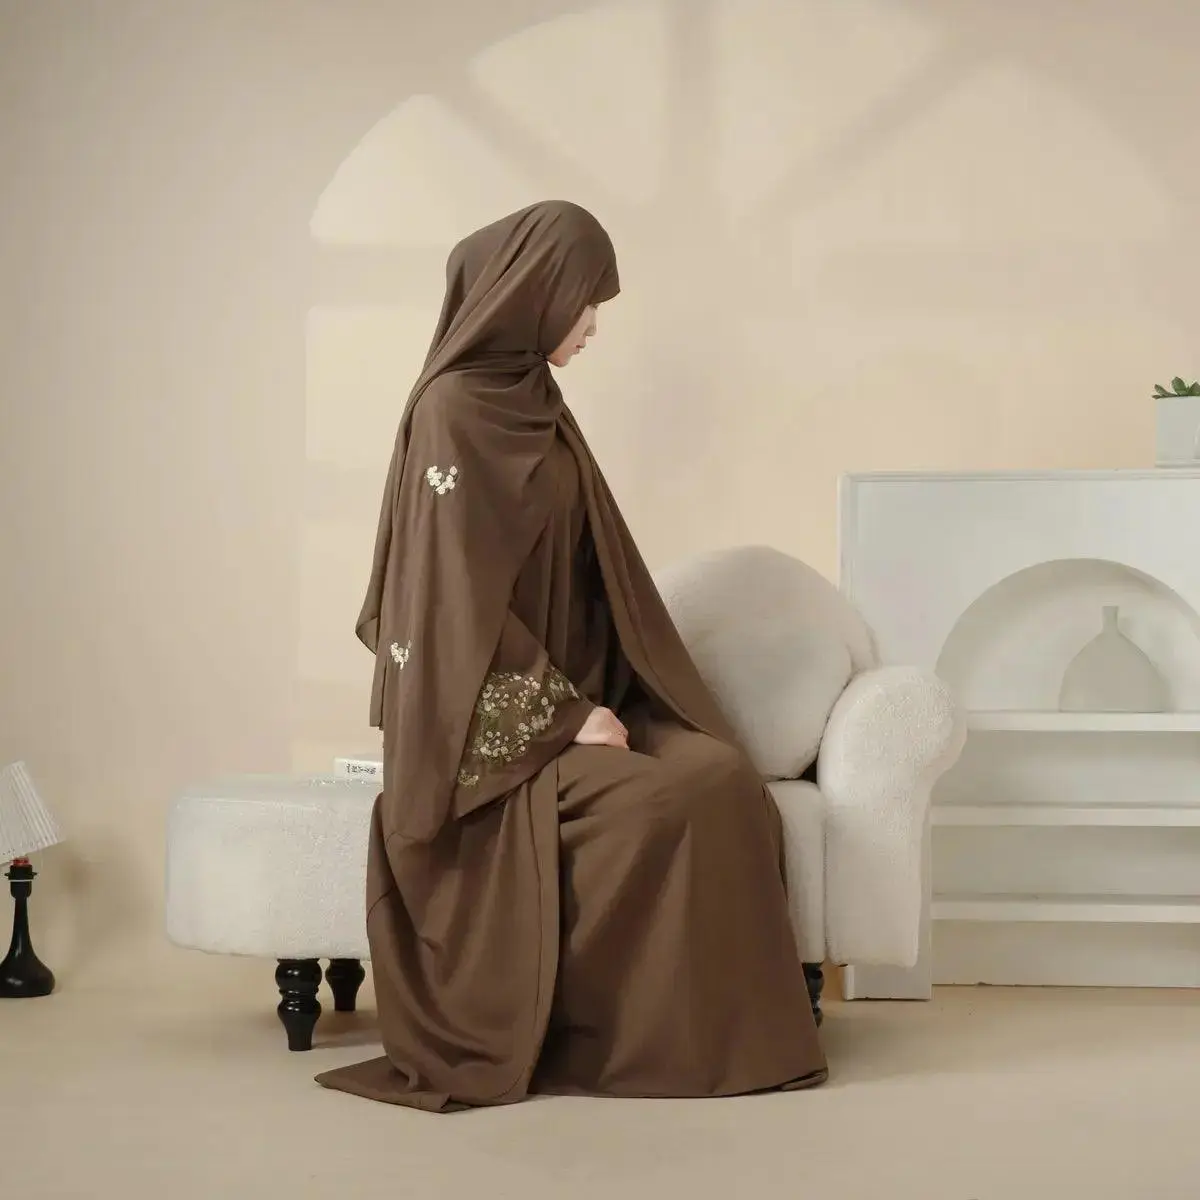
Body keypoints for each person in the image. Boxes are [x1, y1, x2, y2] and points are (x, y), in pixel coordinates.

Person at [314, 200, 827, 1111]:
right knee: (665, 800)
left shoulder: (537, 401)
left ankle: (725, 1039)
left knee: (719, 774)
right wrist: (562, 717)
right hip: (485, 736)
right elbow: (447, 601)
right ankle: (632, 1046)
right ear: (534, 291)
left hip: (582, 694)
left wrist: (616, 692)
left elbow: (595, 569)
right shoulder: (451, 411)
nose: (593, 325)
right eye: (587, 301)